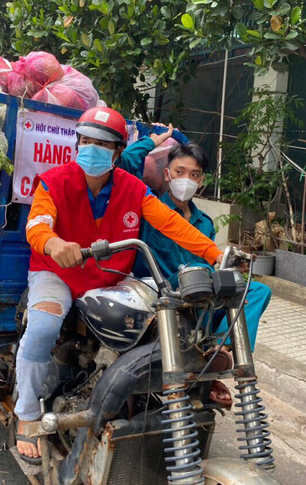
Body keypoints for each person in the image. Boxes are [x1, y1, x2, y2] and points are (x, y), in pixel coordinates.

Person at [16, 107, 223, 464]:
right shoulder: (54, 181)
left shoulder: (134, 189)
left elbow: (173, 224)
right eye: (86, 141)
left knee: (168, 317)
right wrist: (54, 245)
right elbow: (37, 225)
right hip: (57, 274)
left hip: (113, 278)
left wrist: (217, 255)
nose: (92, 148)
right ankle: (26, 414)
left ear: (117, 152)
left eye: (102, 144)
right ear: (77, 142)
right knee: (43, 326)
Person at [120, 129, 272, 403]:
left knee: (256, 290)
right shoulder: (148, 206)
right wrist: (153, 140)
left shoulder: (205, 223)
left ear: (201, 181)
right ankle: (207, 374)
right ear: (167, 174)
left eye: (194, 175)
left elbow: (210, 265)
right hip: (162, 294)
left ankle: (217, 357)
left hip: (200, 297)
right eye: (179, 171)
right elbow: (126, 165)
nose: (186, 180)